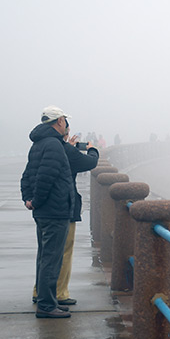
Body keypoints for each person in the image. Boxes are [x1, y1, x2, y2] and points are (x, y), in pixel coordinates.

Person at [21, 106, 76, 319]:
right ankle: (46, 305)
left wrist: (29, 199)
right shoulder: (54, 145)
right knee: (51, 260)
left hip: (45, 211)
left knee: (45, 257)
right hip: (55, 211)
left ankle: (49, 301)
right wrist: (36, 200)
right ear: (60, 121)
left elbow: (27, 175)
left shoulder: (39, 143)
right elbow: (46, 178)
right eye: (64, 120)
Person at [55, 121, 99, 305]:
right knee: (64, 251)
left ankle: (39, 290)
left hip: (45, 208)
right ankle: (60, 293)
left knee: (46, 252)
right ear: (60, 125)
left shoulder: (42, 146)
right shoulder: (64, 150)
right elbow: (90, 162)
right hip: (63, 207)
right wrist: (92, 149)